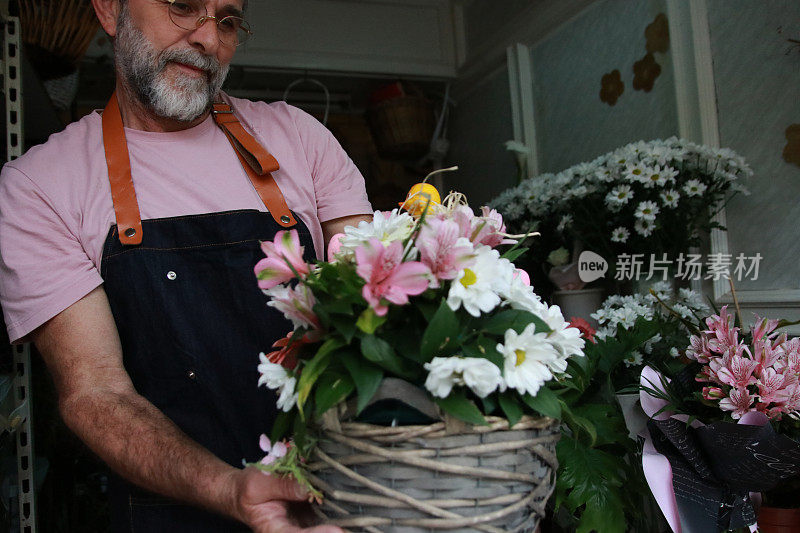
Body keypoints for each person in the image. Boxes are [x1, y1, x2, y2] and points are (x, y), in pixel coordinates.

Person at [0, 0, 372, 531]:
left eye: (226, 20)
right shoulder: (39, 187)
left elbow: (378, 305)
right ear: (110, 11)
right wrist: (227, 488)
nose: (208, 39)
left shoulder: (300, 137)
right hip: (173, 512)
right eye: (182, 6)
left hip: (335, 497)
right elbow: (95, 391)